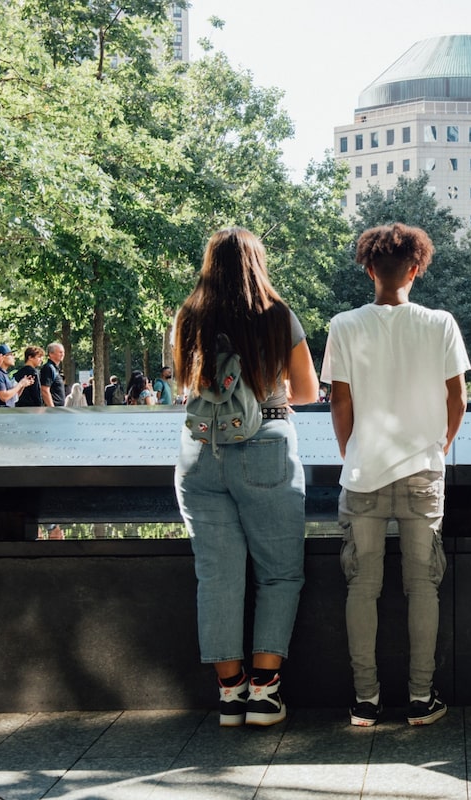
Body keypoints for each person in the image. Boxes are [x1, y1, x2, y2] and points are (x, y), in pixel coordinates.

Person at [321, 222, 470, 728]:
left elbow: (339, 401)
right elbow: (459, 398)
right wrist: (440, 447)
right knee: (422, 586)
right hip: (422, 473)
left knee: (362, 587)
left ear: (368, 269)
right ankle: (421, 699)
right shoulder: (441, 323)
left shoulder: (343, 325)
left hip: (362, 473)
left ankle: (365, 701)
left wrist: (351, 452)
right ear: (417, 268)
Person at [173, 227, 319, 728]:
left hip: (200, 453)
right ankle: (265, 691)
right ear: (258, 264)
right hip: (267, 447)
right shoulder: (278, 316)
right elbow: (306, 392)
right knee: (279, 571)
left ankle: (230, 694)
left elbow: (182, 383)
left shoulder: (188, 316)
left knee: (216, 574)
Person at [40, 342, 65, 407]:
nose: (62, 354)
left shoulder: (55, 369)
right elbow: (44, 390)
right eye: (60, 352)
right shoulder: (48, 368)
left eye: (63, 352)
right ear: (51, 354)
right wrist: (52, 409)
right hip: (53, 411)